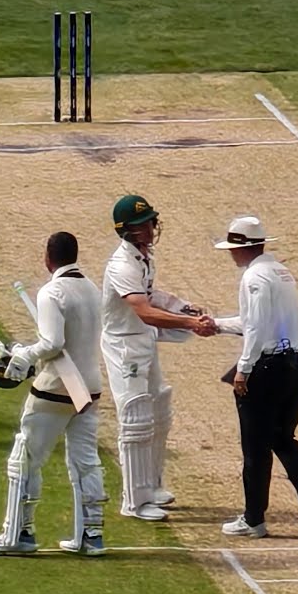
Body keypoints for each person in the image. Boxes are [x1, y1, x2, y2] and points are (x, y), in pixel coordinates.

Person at [0, 232, 107, 555]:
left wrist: (23, 356)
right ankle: (91, 535)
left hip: (56, 390)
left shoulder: (52, 292)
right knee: (85, 462)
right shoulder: (92, 289)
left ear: (48, 257)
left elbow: (52, 343)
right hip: (89, 389)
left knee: (24, 458)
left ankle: (19, 534)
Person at [211, 216, 298, 538]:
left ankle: (254, 520)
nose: (231, 255)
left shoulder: (253, 278)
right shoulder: (281, 273)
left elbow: (256, 327)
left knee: (255, 447)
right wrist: (217, 324)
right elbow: (258, 321)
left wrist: (243, 369)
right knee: (281, 436)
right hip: (294, 366)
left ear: (244, 248)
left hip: (265, 369)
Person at [100, 194, 217, 521]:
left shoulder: (143, 258)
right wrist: (190, 323)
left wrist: (183, 307)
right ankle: (134, 502)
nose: (152, 227)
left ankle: (151, 486)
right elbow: (145, 310)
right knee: (136, 418)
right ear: (130, 230)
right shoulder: (122, 265)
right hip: (125, 347)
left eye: (152, 221)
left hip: (142, 340)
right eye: (145, 223)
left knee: (159, 411)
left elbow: (152, 296)